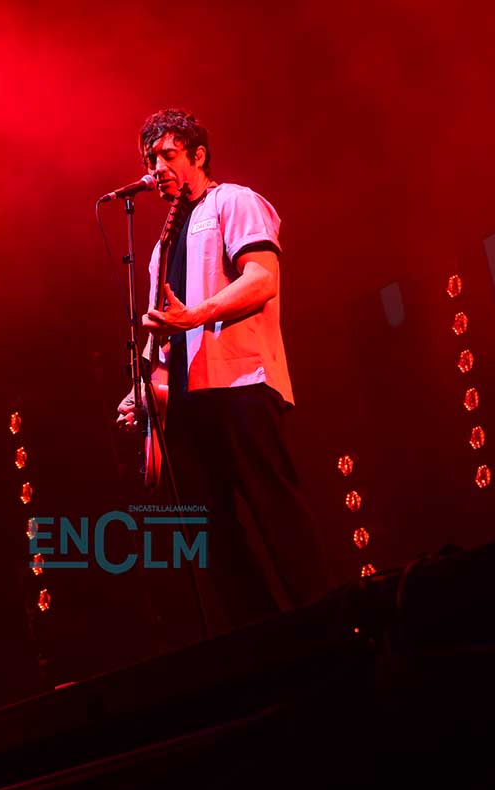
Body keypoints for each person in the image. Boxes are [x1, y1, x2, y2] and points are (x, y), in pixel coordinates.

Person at [117, 108, 323, 632]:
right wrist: (143, 390)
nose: (156, 168)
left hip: (241, 383)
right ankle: (262, 639)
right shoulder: (161, 247)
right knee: (212, 537)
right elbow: (164, 337)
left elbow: (262, 280)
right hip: (188, 406)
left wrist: (196, 315)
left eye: (167, 155)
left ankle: (328, 620)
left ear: (198, 155)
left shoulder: (235, 201)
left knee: (274, 514)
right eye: (150, 160)